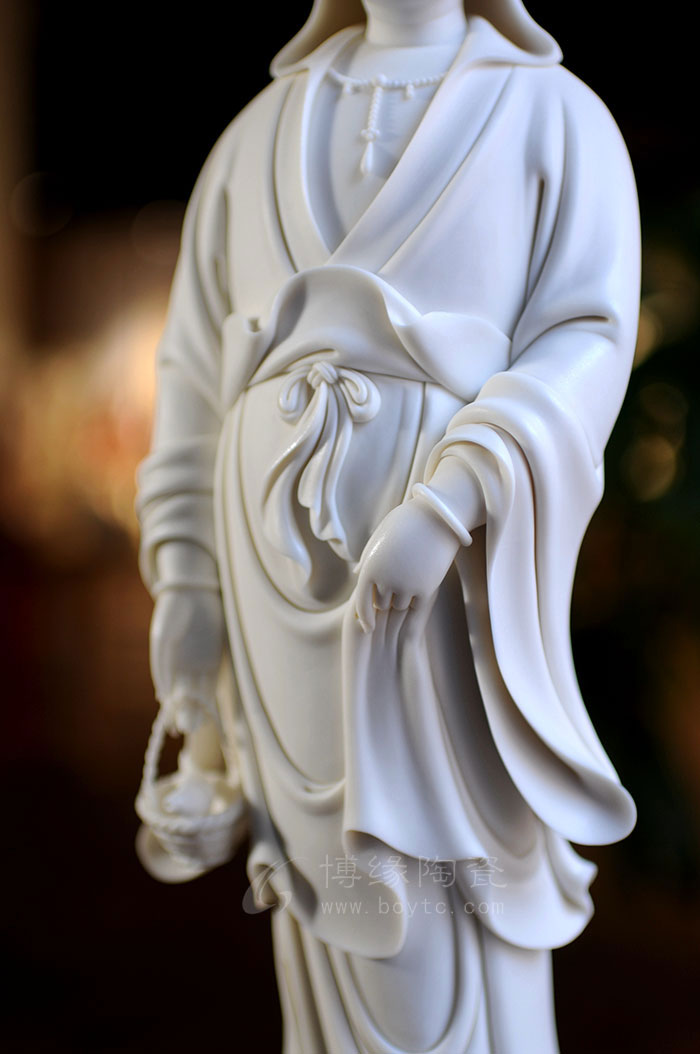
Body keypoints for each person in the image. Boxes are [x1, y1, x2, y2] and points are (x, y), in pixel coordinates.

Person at [136, 0, 640, 1049]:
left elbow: (585, 340)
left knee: (438, 924)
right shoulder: (253, 138)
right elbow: (190, 380)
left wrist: (452, 502)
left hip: (443, 600)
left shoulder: (552, 117)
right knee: (320, 910)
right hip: (276, 606)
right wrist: (186, 577)